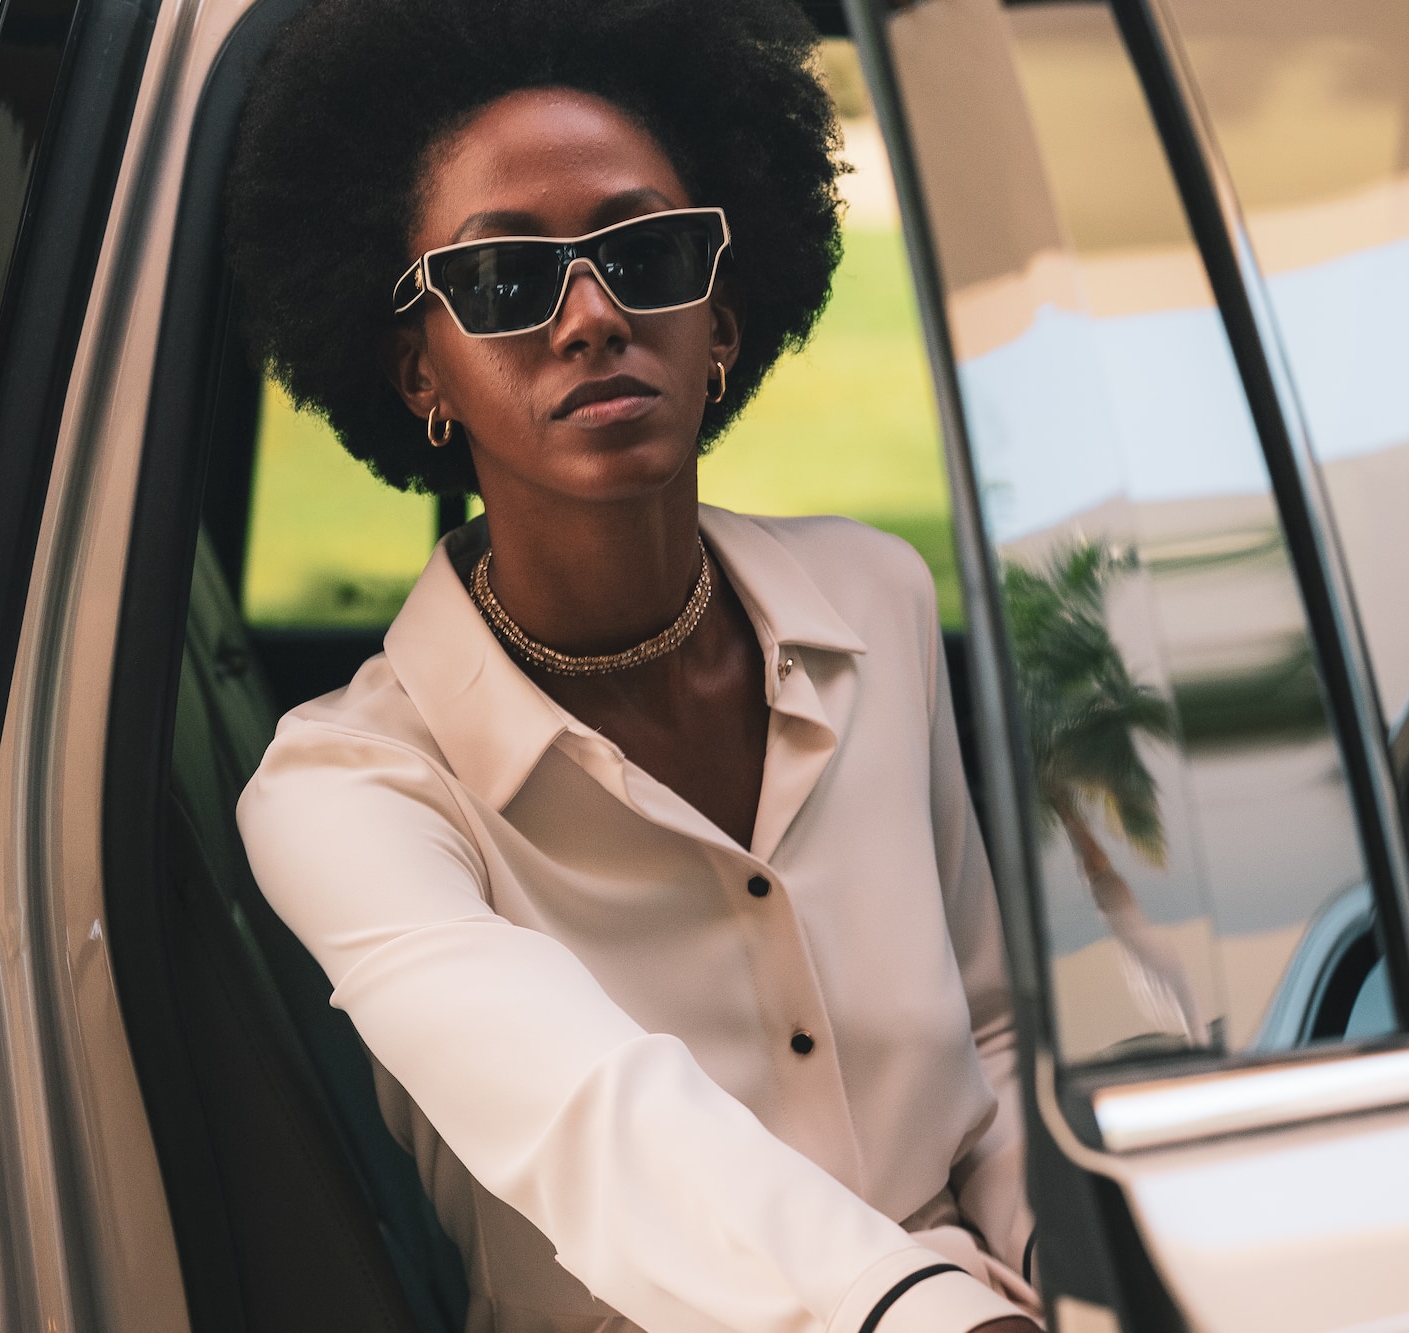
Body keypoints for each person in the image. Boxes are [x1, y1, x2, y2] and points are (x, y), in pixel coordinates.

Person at [228, 2, 1040, 1329]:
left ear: (720, 315)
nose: (594, 316)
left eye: (647, 253)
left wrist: (1076, 1266)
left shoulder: (878, 599)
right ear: (417, 367)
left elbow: (992, 1047)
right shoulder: (347, 793)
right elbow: (604, 1127)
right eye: (505, 281)